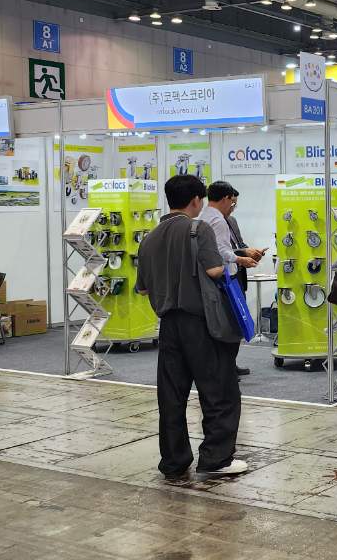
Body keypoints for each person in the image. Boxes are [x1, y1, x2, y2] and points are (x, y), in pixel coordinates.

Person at [136, 175, 245, 478]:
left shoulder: (149, 238)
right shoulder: (199, 229)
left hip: (168, 326)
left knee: (171, 396)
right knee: (219, 390)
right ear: (196, 200)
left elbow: (142, 289)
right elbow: (215, 270)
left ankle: (174, 461)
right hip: (202, 323)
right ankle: (216, 459)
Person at [201, 182, 262, 377]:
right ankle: (226, 369)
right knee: (232, 322)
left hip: (222, 277)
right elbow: (221, 250)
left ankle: (226, 366)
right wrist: (241, 258)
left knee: (225, 323)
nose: (232, 207)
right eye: (232, 202)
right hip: (225, 278)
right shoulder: (217, 220)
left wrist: (244, 252)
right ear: (226, 198)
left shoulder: (206, 217)